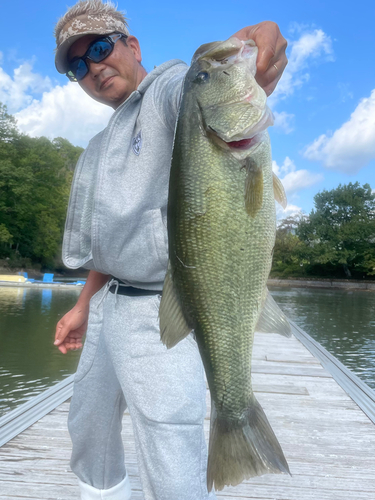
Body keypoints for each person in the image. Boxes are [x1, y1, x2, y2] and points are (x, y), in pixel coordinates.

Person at [53, 1, 288, 499]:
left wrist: (258, 38)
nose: (92, 67)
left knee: (170, 445)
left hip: (167, 307)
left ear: (131, 46)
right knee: (88, 429)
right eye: (77, 65)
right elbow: (108, 243)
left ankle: (233, 428)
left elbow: (202, 88)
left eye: (98, 48)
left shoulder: (167, 90)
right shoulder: (98, 146)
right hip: (105, 305)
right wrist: (81, 306)